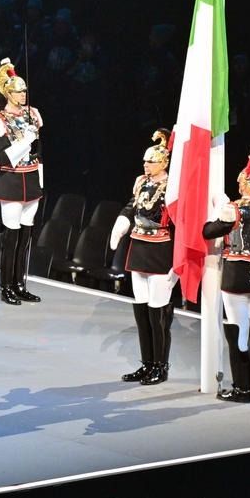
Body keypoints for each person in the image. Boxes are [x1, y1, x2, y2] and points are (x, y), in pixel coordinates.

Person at [204, 150, 250, 403]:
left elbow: (209, 231)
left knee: (238, 329)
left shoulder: (235, 209)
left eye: (242, 180)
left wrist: (217, 207)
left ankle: (241, 388)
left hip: (237, 276)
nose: (238, 183)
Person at [109, 129, 177, 385]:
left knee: (158, 314)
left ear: (163, 162)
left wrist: (178, 263)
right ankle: (147, 363)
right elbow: (132, 206)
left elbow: (179, 222)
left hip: (160, 252)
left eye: (151, 161)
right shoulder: (140, 182)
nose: (146, 164)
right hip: (138, 248)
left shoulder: (172, 186)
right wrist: (120, 224)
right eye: (145, 160)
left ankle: (160, 365)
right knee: (141, 310)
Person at [0, 58, 43, 305]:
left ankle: (20, 283)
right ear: (8, 93)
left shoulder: (33, 114)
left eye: (24, 90)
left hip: (32, 181)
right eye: (19, 91)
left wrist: (40, 180)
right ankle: (7, 285)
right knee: (11, 237)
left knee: (26, 236)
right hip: (11, 182)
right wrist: (24, 141)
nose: (23, 95)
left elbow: (39, 152)